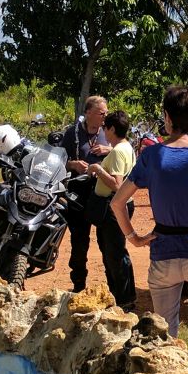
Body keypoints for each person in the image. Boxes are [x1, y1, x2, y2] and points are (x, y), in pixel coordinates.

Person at [112, 85, 188, 360]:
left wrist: (134, 238)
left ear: (167, 116)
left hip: (164, 254)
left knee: (165, 338)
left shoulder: (152, 156)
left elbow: (117, 202)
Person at [59, 95, 111, 292]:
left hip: (101, 193)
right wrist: (73, 164)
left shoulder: (108, 131)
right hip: (78, 194)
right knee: (79, 242)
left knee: (107, 241)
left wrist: (108, 149)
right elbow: (59, 161)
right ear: (88, 113)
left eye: (106, 113)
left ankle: (112, 287)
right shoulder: (72, 133)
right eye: (101, 113)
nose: (104, 116)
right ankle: (79, 285)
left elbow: (123, 149)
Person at [88, 109, 137, 308]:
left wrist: (98, 169)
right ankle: (121, 295)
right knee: (113, 251)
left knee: (114, 253)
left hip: (113, 207)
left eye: (105, 128)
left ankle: (123, 298)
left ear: (113, 129)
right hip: (118, 206)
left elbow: (117, 185)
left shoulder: (117, 151)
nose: (104, 132)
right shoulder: (126, 147)